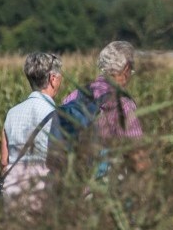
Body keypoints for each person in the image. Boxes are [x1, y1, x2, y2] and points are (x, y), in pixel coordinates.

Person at [63, 40, 147, 176]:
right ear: (125, 69)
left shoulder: (74, 96)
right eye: (131, 70)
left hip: (73, 188)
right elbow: (138, 158)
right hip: (104, 190)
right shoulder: (122, 104)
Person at [1, 52, 63, 211]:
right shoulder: (56, 115)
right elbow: (60, 160)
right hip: (43, 195)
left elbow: (4, 161)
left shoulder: (11, 113)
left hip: (12, 193)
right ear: (53, 79)